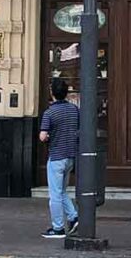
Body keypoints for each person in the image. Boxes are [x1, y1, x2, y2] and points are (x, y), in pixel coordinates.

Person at [40, 78, 80, 238]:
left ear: (52, 93)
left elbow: (43, 136)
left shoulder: (49, 113)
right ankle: (73, 216)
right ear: (66, 93)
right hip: (71, 155)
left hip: (56, 156)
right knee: (62, 191)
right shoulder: (74, 109)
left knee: (55, 194)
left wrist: (49, 135)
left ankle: (58, 228)